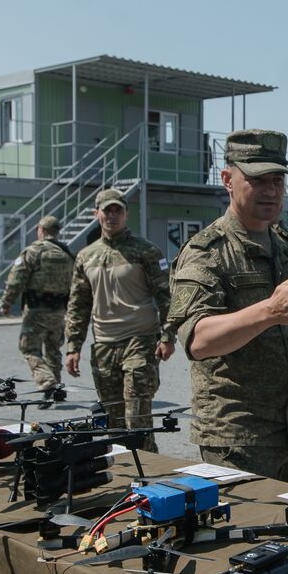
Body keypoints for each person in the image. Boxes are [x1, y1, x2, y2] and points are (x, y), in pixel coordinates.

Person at [166, 129, 288, 484]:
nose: (270, 190)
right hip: (237, 441)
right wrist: (269, 311)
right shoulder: (207, 252)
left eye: (277, 179)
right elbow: (198, 341)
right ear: (227, 179)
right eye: (257, 179)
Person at [64, 188, 175, 452]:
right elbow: (78, 304)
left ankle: (149, 471)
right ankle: (124, 473)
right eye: (107, 210)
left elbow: (166, 296)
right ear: (97, 214)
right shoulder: (86, 256)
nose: (112, 216)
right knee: (113, 420)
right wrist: (72, 347)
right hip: (104, 345)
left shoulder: (146, 251)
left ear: (126, 214)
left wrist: (168, 336)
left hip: (140, 341)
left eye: (118, 210)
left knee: (136, 415)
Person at [0, 215, 75, 401]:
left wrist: (6, 303)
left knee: (29, 348)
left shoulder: (33, 251)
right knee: (53, 349)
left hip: (36, 309)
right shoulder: (66, 254)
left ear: (41, 230)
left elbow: (16, 279)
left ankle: (46, 380)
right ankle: (56, 389)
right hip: (59, 310)